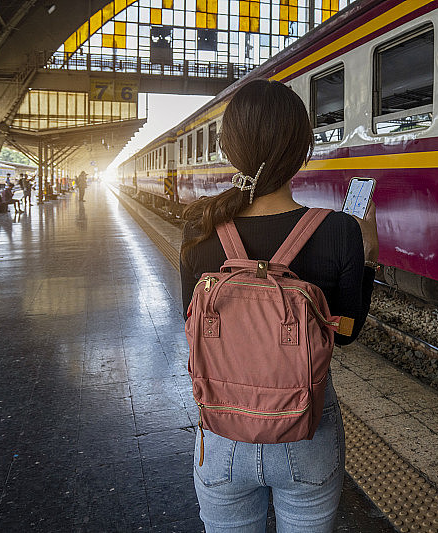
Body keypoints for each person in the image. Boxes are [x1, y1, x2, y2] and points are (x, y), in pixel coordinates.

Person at [179, 79, 378, 532]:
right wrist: (368, 258)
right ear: (302, 149)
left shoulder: (199, 229)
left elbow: (189, 324)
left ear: (229, 149)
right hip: (307, 430)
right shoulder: (339, 230)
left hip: (221, 433)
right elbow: (345, 333)